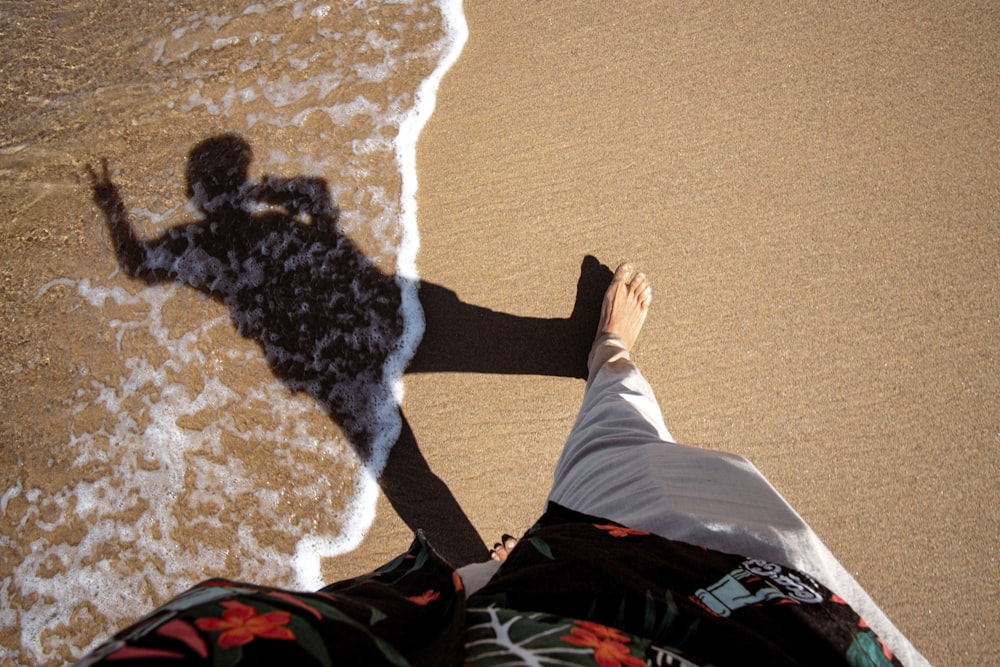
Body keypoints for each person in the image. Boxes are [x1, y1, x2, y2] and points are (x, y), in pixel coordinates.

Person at [75, 264, 929, 666]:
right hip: (736, 602)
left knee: (617, 466)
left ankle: (496, 572)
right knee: (627, 459)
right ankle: (608, 364)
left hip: (556, 606)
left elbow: (159, 256)